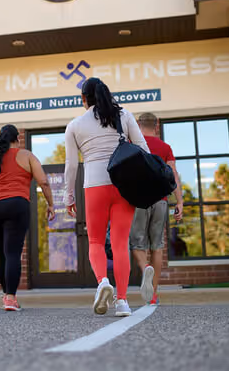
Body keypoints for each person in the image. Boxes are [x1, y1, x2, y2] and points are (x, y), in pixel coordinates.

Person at [64, 78, 150, 317]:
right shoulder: (124, 116)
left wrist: (68, 196)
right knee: (120, 243)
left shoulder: (75, 125)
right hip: (124, 185)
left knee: (95, 242)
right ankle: (122, 302)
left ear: (83, 99)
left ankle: (103, 282)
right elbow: (144, 149)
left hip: (94, 186)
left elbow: (71, 166)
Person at [0, 124, 55, 311]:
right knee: (13, 253)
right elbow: (44, 182)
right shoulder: (27, 156)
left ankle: (6, 296)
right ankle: (10, 297)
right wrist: (50, 204)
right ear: (18, 139)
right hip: (17, 204)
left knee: (2, 253)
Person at [130, 112, 184, 306]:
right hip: (160, 200)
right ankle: (152, 294)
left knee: (137, 243)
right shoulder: (165, 148)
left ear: (138, 124)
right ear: (157, 125)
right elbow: (173, 176)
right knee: (157, 246)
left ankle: (145, 268)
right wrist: (179, 202)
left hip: (137, 200)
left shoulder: (132, 145)